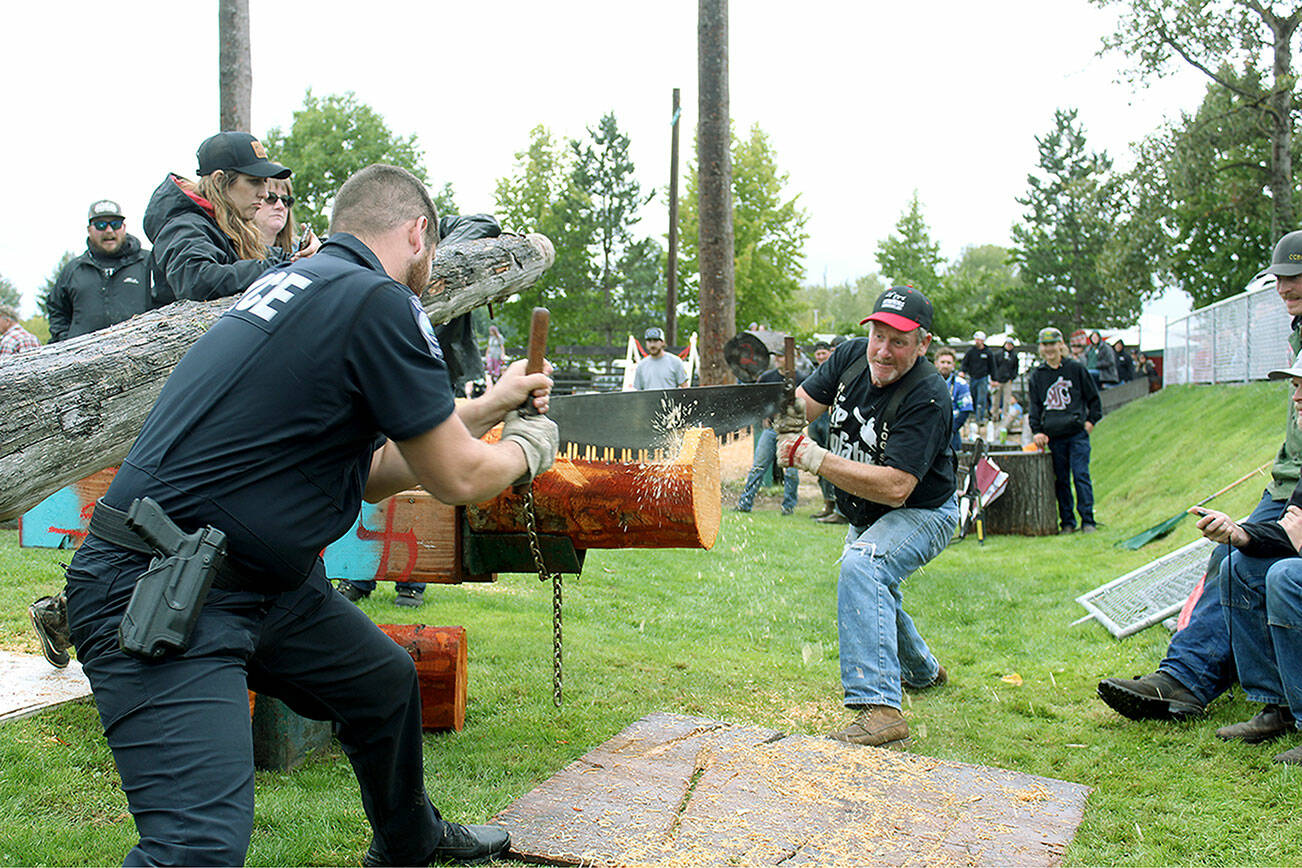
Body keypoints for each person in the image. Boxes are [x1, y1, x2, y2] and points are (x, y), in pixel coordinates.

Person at [56, 164, 555, 864]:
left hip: (246, 581)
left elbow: (379, 472)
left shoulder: (309, 289)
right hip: (161, 587)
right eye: (432, 253)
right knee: (195, 848)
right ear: (417, 234)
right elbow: (457, 476)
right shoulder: (378, 300)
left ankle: (408, 844)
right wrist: (528, 450)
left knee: (383, 684)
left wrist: (486, 409)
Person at [777, 286, 957, 747]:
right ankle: (921, 670)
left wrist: (814, 458)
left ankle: (879, 708)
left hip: (923, 511)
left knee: (864, 565)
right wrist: (779, 412)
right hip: (865, 510)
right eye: (879, 334)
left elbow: (898, 487)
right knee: (870, 581)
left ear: (923, 344)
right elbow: (802, 405)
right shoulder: (851, 357)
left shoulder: (929, 396)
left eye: (899, 341)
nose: (883, 350)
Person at [145, 131, 320, 306]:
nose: (264, 193)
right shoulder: (183, 225)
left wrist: (311, 251)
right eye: (254, 181)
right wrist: (286, 264)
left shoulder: (223, 223)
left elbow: (270, 256)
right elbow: (198, 281)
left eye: (265, 181)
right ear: (219, 180)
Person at [1028, 326, 1102, 534]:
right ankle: (1067, 522)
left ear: (1061, 345)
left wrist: (1090, 422)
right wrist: (1037, 430)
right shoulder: (1037, 375)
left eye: (1053, 344)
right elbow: (1034, 406)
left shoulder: (1076, 369)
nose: (1050, 348)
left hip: (1077, 433)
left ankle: (1088, 520)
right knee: (1061, 480)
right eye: (1045, 344)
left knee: (1081, 475)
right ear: (1041, 348)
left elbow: (1093, 398)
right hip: (1053, 436)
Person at [47, 199, 151, 342]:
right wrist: (66, 341)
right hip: (83, 360)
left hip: (141, 355)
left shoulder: (149, 263)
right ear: (89, 230)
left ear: (124, 227)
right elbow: (57, 311)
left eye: (115, 224)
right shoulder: (73, 269)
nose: (109, 231)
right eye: (100, 225)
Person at [735, 345, 800, 516]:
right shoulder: (767, 377)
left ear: (790, 357)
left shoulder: (799, 377)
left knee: (791, 470)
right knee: (758, 466)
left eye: (781, 356)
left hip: (791, 430)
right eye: (776, 356)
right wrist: (763, 414)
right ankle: (745, 503)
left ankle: (788, 506)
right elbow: (757, 399)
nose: (778, 359)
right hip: (772, 427)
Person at [807, 341, 843, 521]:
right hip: (816, 422)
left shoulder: (839, 372)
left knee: (834, 461)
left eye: (824, 353)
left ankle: (839, 509)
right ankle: (827, 504)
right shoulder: (814, 372)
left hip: (832, 421)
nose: (821, 357)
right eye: (818, 354)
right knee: (819, 466)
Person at [933, 346, 972, 454]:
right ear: (936, 363)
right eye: (943, 362)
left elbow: (966, 409)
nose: (945, 365)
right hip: (930, 433)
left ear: (954, 365)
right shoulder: (928, 383)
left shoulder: (961, 384)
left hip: (952, 435)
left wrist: (951, 429)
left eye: (949, 363)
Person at [251, 177, 298, 253]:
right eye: (271, 197)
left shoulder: (299, 252)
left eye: (285, 200)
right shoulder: (230, 250)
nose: (280, 206)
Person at [961, 330, 994, 422]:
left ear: (983, 341)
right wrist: (963, 371)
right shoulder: (971, 352)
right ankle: (973, 415)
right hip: (973, 377)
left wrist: (994, 379)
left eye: (979, 340)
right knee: (973, 397)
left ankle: (980, 418)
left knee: (981, 399)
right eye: (976, 340)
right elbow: (965, 363)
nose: (977, 342)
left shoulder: (988, 353)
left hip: (983, 378)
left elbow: (992, 366)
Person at [991, 338, 1019, 420]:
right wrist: (994, 379)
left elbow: (1016, 368)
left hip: (1008, 380)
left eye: (1011, 344)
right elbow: (993, 366)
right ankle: (994, 416)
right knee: (996, 399)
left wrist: (1012, 377)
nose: (1009, 346)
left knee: (1007, 400)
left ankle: (1005, 417)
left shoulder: (1014, 356)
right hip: (998, 380)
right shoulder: (998, 354)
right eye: (1008, 344)